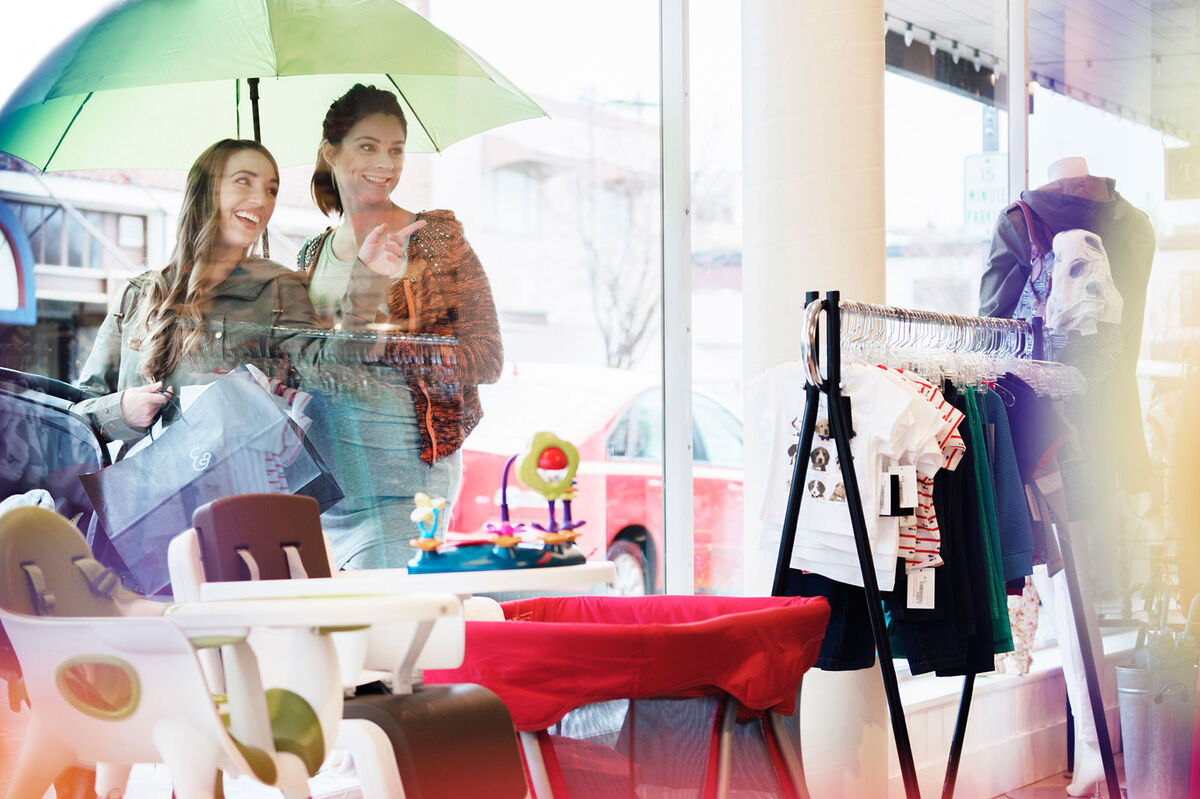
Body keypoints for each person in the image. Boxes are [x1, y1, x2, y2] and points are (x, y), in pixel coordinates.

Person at [300, 83, 503, 569]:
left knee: (389, 628)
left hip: (406, 484)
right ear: (331, 152)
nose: (386, 164)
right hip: (328, 492)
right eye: (368, 146)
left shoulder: (433, 238)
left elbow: (488, 356)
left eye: (395, 150)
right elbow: (314, 365)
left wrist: (387, 347)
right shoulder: (312, 254)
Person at [74, 139, 320, 446]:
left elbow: (328, 390)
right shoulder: (136, 295)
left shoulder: (281, 291)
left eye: (271, 189)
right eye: (244, 181)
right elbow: (79, 414)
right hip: (140, 488)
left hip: (240, 486)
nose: (262, 200)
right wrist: (121, 411)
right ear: (206, 191)